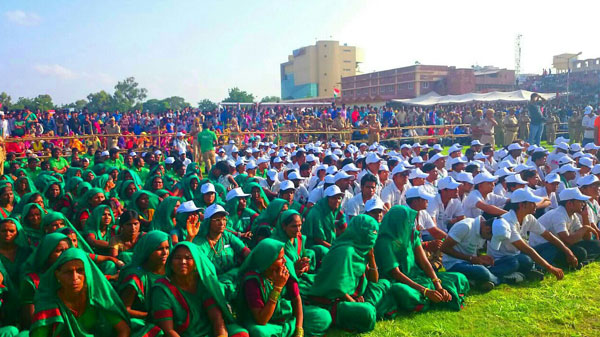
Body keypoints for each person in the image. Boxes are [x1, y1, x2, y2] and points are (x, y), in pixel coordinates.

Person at [374, 205, 470, 312]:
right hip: (398, 280)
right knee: (400, 290)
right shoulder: (385, 242)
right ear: (397, 222)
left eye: (411, 221)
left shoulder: (411, 235)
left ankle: (432, 298)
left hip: (417, 275)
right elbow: (396, 273)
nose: (411, 225)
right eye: (408, 221)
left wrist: (438, 285)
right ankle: (428, 299)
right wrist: (425, 291)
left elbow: (424, 262)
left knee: (459, 277)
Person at [151, 242, 249, 337]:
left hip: (208, 332)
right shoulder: (162, 290)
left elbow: (216, 319)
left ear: (196, 262)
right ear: (171, 263)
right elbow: (168, 331)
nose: (183, 262)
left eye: (188, 258)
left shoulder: (201, 283)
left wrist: (221, 335)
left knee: (240, 333)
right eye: (177, 258)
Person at [238, 238, 330, 337]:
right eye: (280, 258)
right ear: (268, 261)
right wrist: (278, 287)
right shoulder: (253, 280)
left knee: (323, 317)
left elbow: (296, 300)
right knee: (259, 332)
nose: (285, 260)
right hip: (267, 324)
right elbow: (261, 320)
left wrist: (299, 329)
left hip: (288, 320)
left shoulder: (285, 270)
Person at [30, 248, 130, 337]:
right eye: (68, 272)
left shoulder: (96, 298)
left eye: (80, 270)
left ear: (88, 273)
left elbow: (123, 329)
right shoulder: (50, 304)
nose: (74, 277)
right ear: (57, 275)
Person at [487, 188, 569, 281]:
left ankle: (535, 269)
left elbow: (548, 236)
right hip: (502, 259)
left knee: (552, 246)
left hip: (517, 254)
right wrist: (550, 267)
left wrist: (568, 252)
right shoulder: (508, 221)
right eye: (532, 203)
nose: (535, 205)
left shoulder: (529, 218)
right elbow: (526, 249)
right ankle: (502, 275)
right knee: (523, 261)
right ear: (522, 205)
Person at [530, 187, 600, 267]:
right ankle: (560, 263)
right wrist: (586, 227)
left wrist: (585, 216)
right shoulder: (558, 214)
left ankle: (580, 262)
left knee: (596, 244)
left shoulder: (572, 215)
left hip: (561, 246)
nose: (583, 204)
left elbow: (587, 238)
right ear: (570, 203)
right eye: (580, 201)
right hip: (545, 249)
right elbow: (568, 240)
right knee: (580, 252)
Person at [194, 204, 250, 300]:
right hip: (214, 283)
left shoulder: (227, 236)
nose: (222, 223)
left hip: (234, 277)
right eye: (217, 220)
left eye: (224, 219)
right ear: (208, 222)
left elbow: (246, 252)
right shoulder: (200, 242)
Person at [118, 230, 169, 335]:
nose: (165, 252)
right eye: (159, 249)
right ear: (148, 251)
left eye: (167, 248)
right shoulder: (136, 277)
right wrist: (148, 315)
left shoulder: (169, 270)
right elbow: (124, 309)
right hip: (143, 320)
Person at [303, 185, 345, 261]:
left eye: (338, 198)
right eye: (333, 198)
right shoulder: (316, 213)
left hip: (329, 244)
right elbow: (318, 239)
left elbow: (343, 229)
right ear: (326, 199)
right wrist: (334, 248)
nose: (337, 201)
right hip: (314, 246)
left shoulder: (335, 210)